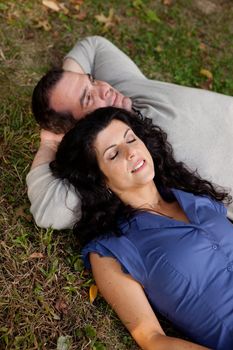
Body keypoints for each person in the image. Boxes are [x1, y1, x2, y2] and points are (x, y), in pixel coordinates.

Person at [51, 107, 233, 350]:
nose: (131, 152)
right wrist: (46, 144)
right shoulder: (112, 249)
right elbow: (151, 338)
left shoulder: (195, 196)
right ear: (99, 179)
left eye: (131, 138)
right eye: (113, 154)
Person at [27, 36, 233, 229]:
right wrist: (50, 144)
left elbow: (93, 46)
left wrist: (72, 80)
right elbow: (49, 210)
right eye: (88, 98)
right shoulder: (132, 157)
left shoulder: (125, 89)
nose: (104, 88)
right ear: (81, 129)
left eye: (91, 80)